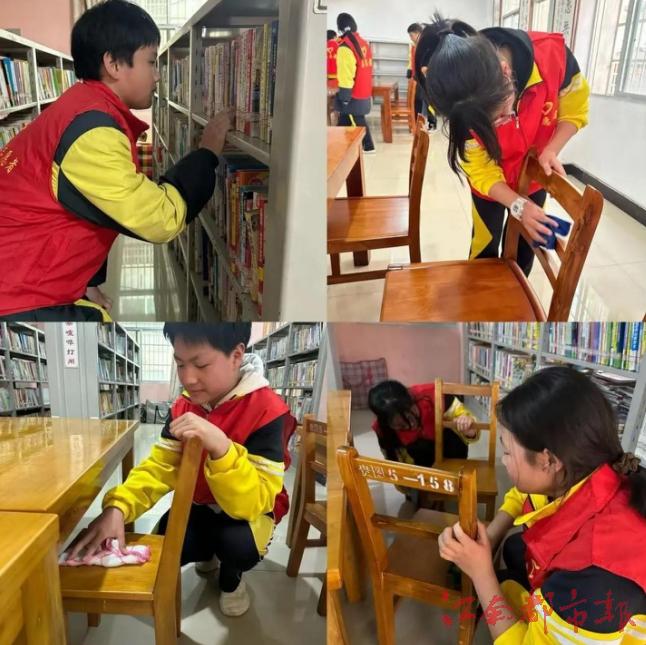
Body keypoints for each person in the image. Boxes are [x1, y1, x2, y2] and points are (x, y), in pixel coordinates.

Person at [0, 0, 231, 321]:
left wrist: (87, 280)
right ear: (113, 64)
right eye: (151, 62)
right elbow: (161, 219)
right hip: (18, 292)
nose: (157, 76)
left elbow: (86, 205)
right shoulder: (93, 134)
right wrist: (206, 154)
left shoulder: (81, 105)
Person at [67, 323, 297, 617]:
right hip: (198, 505)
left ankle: (231, 578)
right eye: (180, 364)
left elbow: (256, 501)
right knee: (166, 544)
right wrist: (118, 507)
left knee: (238, 548)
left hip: (247, 515)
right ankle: (208, 553)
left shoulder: (268, 410)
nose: (188, 378)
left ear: (237, 355)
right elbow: (159, 467)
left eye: (201, 364)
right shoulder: (183, 405)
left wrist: (221, 448)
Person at [437, 367, 646, 643]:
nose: (503, 461)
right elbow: (522, 496)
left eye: (507, 452)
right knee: (514, 548)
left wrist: (480, 572)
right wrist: (491, 536)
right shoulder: (592, 469)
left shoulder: (594, 582)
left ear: (548, 460)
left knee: (498, 577)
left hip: (594, 608)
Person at [414, 14, 590, 276]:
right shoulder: (460, 98)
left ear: (506, 72)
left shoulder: (553, 57)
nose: (497, 130)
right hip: (489, 189)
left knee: (525, 251)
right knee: (483, 251)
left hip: (533, 178)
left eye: (500, 118)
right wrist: (517, 205)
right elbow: (481, 170)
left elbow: (576, 107)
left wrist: (552, 149)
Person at [368, 379, 479, 468]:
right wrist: (409, 485)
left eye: (410, 417)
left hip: (451, 450)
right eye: (401, 426)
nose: (411, 426)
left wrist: (469, 430)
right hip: (421, 466)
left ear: (411, 400)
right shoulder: (384, 432)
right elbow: (395, 465)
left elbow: (466, 420)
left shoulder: (436, 395)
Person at [334, 12, 376, 153]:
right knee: (345, 120)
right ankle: (342, 147)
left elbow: (346, 75)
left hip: (353, 95)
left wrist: (345, 97)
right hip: (364, 91)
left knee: (357, 120)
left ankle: (368, 147)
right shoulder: (364, 43)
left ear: (340, 28)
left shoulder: (345, 47)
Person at [407, 22, 437, 130]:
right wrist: (409, 71)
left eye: (411, 35)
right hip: (417, 77)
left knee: (428, 102)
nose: (410, 38)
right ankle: (417, 123)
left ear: (417, 33)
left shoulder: (427, 45)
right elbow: (411, 60)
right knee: (417, 100)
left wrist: (426, 69)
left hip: (427, 78)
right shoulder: (413, 46)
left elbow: (432, 59)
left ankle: (432, 123)